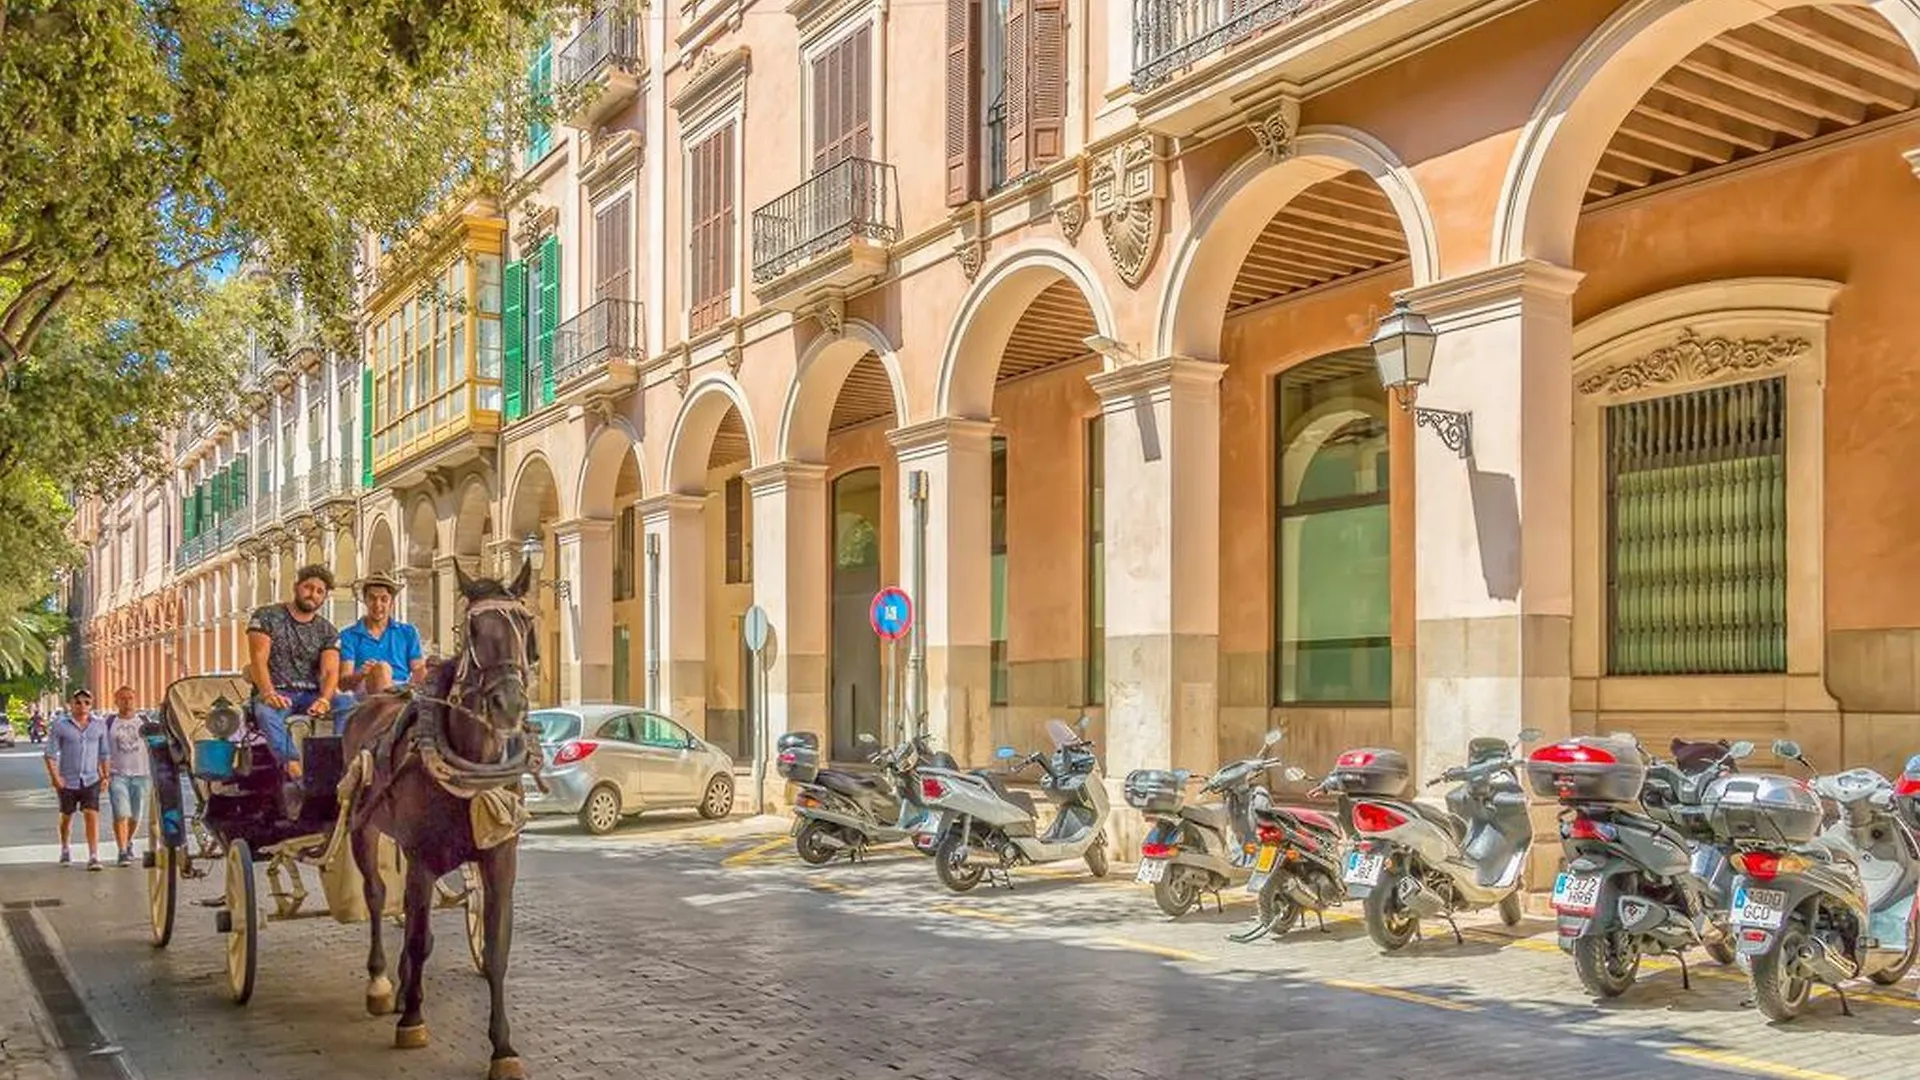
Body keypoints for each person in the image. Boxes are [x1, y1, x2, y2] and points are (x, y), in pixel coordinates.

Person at [246, 564, 352, 780]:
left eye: (320, 591)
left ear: (324, 598)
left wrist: (324, 699)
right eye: (308, 587)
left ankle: (338, 762)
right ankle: (294, 767)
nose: (313, 594)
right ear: (296, 587)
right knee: (265, 712)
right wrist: (268, 693)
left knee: (347, 704)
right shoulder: (267, 616)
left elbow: (330, 672)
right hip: (277, 692)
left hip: (311, 694)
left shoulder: (326, 630)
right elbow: (258, 659)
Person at [42, 688, 110, 870]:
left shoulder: (99, 725)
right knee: (66, 816)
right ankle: (65, 848)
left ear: (91, 704)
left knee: (91, 815)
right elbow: (50, 754)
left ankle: (94, 855)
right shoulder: (60, 725)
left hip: (91, 779)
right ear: (71, 704)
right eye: (78, 702)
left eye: (86, 703)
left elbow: (104, 753)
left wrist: (105, 776)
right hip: (68, 780)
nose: (82, 706)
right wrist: (56, 778)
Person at [338, 570, 425, 699]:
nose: (378, 604)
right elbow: (343, 683)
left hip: (403, 689)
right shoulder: (349, 635)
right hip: (365, 691)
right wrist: (361, 674)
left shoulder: (409, 632)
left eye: (384, 599)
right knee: (381, 669)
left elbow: (418, 670)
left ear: (391, 602)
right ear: (365, 600)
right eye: (372, 598)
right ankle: (390, 707)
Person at [105, 685, 151, 867]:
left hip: (142, 774)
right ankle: (122, 850)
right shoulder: (109, 723)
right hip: (117, 774)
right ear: (116, 701)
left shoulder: (144, 722)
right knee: (121, 813)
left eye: (130, 698)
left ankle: (129, 840)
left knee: (135, 815)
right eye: (123, 698)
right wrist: (103, 773)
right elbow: (102, 750)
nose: (127, 702)